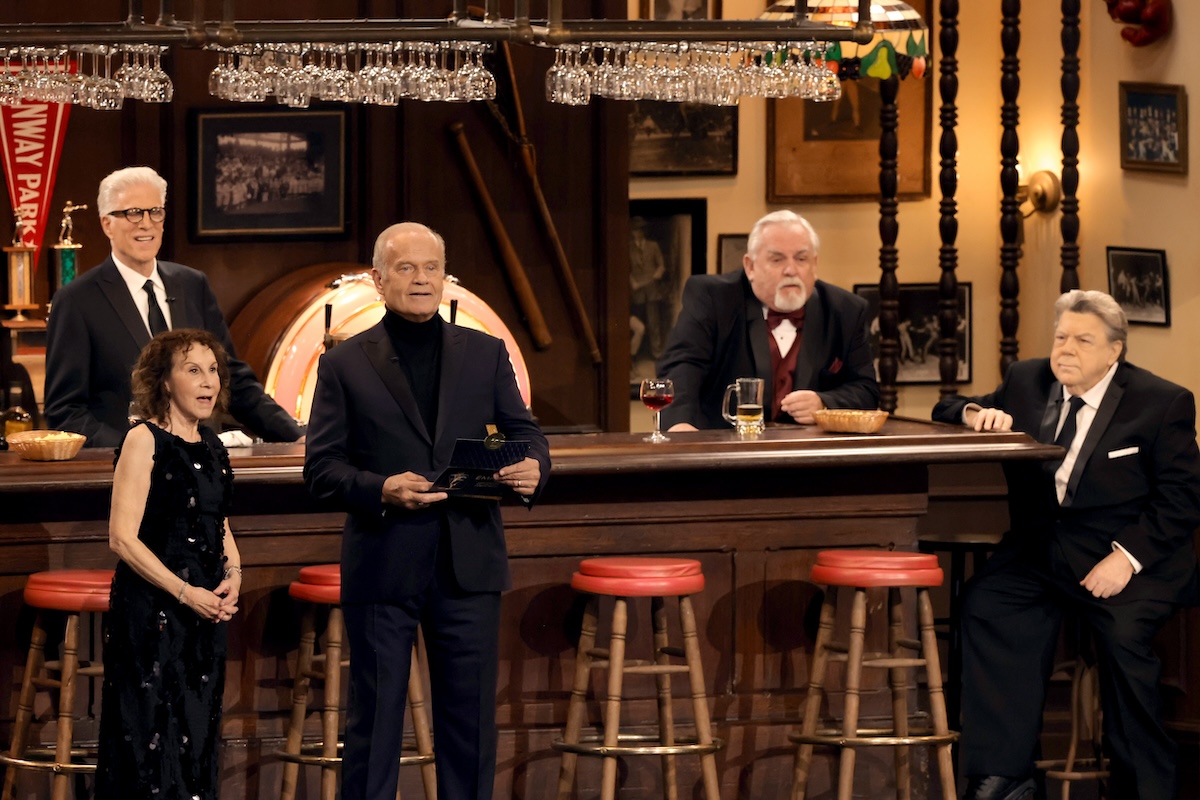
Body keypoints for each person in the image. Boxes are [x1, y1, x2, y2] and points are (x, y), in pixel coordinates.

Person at [304, 222, 550, 800]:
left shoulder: (486, 353)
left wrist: (536, 466)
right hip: (384, 561)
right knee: (374, 726)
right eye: (406, 268)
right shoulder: (343, 364)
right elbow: (321, 470)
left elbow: (526, 435)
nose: (421, 279)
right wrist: (381, 488)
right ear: (378, 278)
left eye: (431, 268)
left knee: (470, 727)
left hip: (469, 562)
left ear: (446, 277)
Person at [931, 289, 1200, 800]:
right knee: (987, 604)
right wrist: (975, 413)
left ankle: (1145, 786)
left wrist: (1126, 559)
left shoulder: (1161, 402)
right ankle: (1004, 776)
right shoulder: (1025, 381)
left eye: (1083, 340)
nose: (1066, 350)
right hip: (1040, 554)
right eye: (1060, 338)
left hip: (1124, 558)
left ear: (1114, 351)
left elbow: (1183, 499)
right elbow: (945, 408)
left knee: (1123, 641)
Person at [44, 165, 303, 447]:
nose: (146, 224)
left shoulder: (192, 284)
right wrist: (135, 450)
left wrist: (296, 435)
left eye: (155, 212)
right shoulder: (77, 301)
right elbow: (65, 411)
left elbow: (232, 379)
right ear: (107, 224)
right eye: (133, 213)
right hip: (126, 463)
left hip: (202, 459)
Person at [97, 328, 242, 800]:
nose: (208, 382)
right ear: (164, 380)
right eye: (193, 370)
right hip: (153, 612)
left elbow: (219, 524)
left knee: (197, 736)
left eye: (213, 371)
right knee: (150, 738)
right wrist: (183, 593)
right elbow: (122, 538)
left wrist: (234, 577)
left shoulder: (213, 445)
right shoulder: (144, 439)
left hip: (205, 610)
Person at [656, 209, 879, 430]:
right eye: (777, 259)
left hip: (812, 448)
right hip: (726, 444)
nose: (791, 270)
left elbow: (866, 389)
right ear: (750, 266)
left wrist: (824, 403)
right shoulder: (713, 298)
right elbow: (682, 367)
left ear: (814, 265)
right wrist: (679, 426)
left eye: (801, 259)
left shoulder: (846, 310)